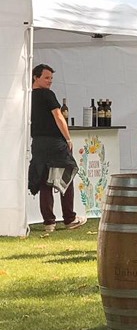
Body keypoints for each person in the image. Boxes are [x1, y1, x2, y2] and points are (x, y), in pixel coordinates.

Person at [28, 64, 86, 232]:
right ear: (35, 77)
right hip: (54, 142)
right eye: (46, 77)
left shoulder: (27, 96)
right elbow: (59, 116)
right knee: (66, 176)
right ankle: (69, 218)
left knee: (45, 181)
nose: (50, 81)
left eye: (51, 78)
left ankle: (49, 222)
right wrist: (68, 138)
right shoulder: (48, 94)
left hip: (38, 142)